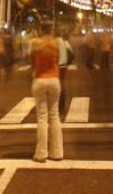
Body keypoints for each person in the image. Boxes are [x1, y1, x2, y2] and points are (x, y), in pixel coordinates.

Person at [30, 22, 64, 163]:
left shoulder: (34, 43)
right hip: (54, 79)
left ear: (40, 30)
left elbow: (32, 62)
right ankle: (57, 153)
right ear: (52, 30)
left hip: (39, 80)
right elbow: (61, 61)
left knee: (42, 117)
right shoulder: (58, 43)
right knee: (54, 116)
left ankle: (41, 153)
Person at [57, 30, 73, 115]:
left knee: (57, 85)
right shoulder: (65, 42)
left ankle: (57, 105)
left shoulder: (54, 42)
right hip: (63, 66)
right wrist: (67, 63)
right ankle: (62, 105)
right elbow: (72, 54)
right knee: (61, 84)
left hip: (56, 66)